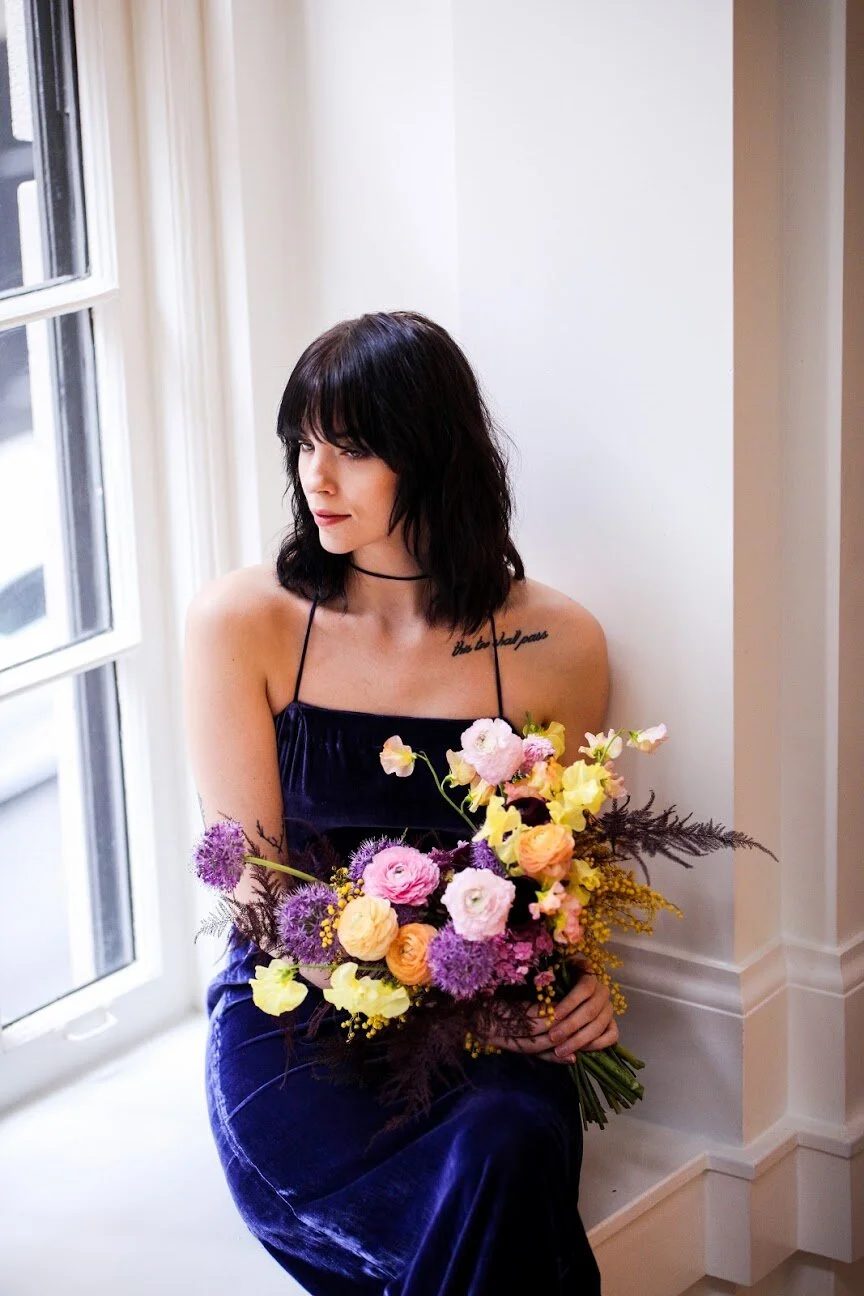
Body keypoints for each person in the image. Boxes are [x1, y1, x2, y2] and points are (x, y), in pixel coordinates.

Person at [184, 310, 616, 1294]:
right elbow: (260, 892)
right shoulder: (245, 623)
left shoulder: (559, 644)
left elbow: (558, 871)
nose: (316, 478)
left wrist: (578, 977)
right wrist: (422, 979)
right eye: (305, 442)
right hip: (298, 1017)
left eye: (355, 448)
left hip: (493, 1014)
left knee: (505, 1147)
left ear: (430, 455)